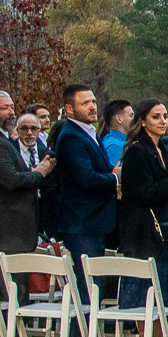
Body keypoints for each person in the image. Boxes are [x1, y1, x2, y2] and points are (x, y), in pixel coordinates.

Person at [0, 90, 54, 306]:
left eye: (12, 107)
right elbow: (11, 181)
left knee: (13, 299)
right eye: (4, 108)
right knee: (4, 301)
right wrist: (39, 173)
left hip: (8, 236)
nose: (11, 112)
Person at [116, 100, 168, 337]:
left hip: (165, 228)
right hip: (143, 228)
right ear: (143, 121)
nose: (163, 121)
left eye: (165, 116)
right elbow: (141, 193)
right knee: (144, 288)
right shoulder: (136, 151)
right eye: (156, 117)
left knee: (163, 289)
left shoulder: (165, 149)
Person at [53, 85, 120, 310]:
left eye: (93, 101)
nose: (92, 107)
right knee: (88, 289)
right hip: (81, 223)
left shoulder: (87, 132)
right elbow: (87, 179)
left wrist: (112, 172)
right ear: (69, 109)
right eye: (85, 103)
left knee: (95, 286)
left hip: (95, 221)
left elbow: (99, 168)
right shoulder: (72, 137)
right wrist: (115, 179)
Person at [100, 99, 134, 168]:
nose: (134, 119)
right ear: (119, 118)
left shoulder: (111, 140)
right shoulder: (115, 146)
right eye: (131, 115)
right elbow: (118, 175)